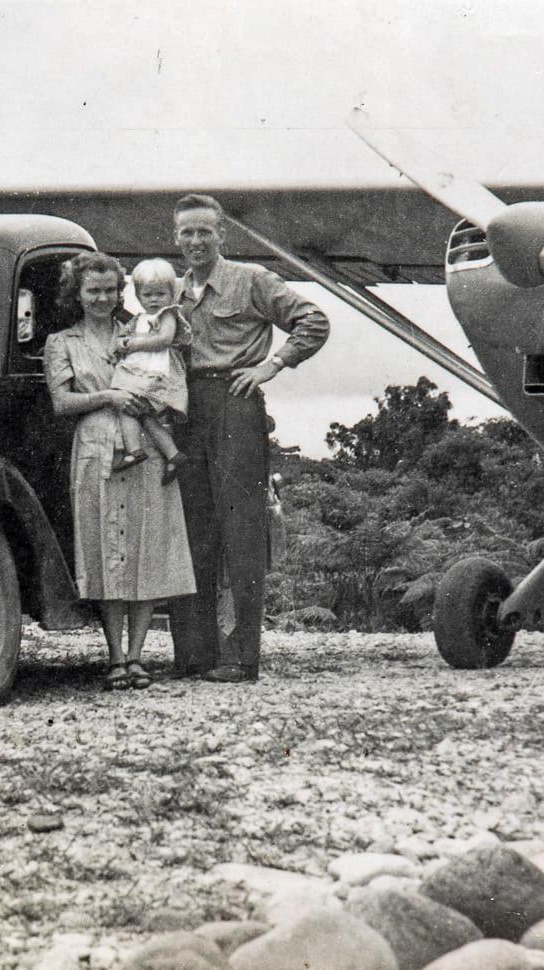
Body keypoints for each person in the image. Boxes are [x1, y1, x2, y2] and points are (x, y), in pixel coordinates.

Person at [169, 193, 330, 683]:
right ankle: (194, 655)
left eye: (204, 231)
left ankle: (242, 658)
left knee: (241, 533)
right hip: (185, 409)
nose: (196, 241)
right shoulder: (172, 293)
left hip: (235, 405)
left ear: (223, 235)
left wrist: (271, 365)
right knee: (193, 531)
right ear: (175, 239)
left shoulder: (252, 279)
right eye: (187, 233)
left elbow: (314, 321)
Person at [42, 252, 196, 690]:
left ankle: (137, 656)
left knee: (145, 544)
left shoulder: (139, 330)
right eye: (93, 290)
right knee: (108, 549)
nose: (103, 298)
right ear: (77, 292)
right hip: (96, 446)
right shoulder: (62, 342)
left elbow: (168, 372)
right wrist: (109, 397)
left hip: (146, 445)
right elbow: (61, 402)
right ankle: (113, 657)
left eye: (110, 289)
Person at [110, 259, 190, 481]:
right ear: (138, 295)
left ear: (171, 294)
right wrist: (122, 342)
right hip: (141, 371)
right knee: (143, 413)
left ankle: (133, 451)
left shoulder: (167, 314)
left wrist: (132, 344)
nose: (154, 300)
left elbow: (164, 339)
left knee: (129, 407)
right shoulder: (138, 319)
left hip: (155, 372)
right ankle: (173, 454)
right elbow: (123, 338)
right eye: (148, 295)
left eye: (160, 294)